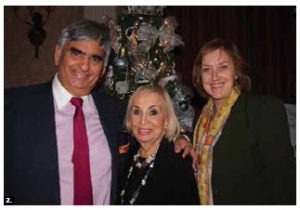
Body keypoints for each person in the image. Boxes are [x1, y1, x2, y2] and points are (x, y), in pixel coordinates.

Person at [4, 19, 192, 205]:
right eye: (76, 53)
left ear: (103, 70)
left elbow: (148, 136)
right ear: (57, 54)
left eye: (96, 58)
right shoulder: (13, 106)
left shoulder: (116, 112)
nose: (84, 66)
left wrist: (181, 139)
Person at [191, 39, 296, 205]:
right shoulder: (200, 121)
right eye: (206, 69)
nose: (214, 76)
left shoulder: (262, 110)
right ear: (200, 76)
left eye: (223, 67)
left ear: (236, 72)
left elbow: (284, 182)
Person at [119, 85, 199, 205]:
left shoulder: (178, 161)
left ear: (166, 120)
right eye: (136, 112)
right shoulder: (126, 154)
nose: (142, 121)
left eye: (153, 112)